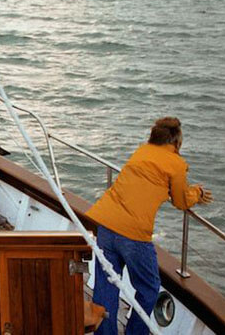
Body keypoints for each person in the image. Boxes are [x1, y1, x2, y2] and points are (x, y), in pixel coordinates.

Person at [85, 117, 214, 335]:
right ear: (176, 142)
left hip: (105, 224)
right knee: (149, 287)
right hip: (133, 234)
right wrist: (197, 193)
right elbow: (181, 201)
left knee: (107, 284)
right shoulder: (176, 164)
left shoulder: (141, 152)